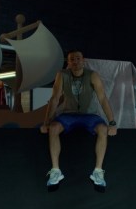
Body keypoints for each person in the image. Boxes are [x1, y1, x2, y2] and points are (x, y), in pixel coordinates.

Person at [40, 50, 117, 189]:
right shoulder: (62, 75)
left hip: (89, 115)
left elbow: (102, 98)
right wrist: (46, 122)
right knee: (53, 128)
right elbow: (55, 98)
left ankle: (98, 171)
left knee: (103, 129)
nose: (75, 62)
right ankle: (56, 171)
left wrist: (112, 122)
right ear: (68, 62)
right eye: (72, 59)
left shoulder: (92, 75)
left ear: (83, 60)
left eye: (78, 58)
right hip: (68, 114)